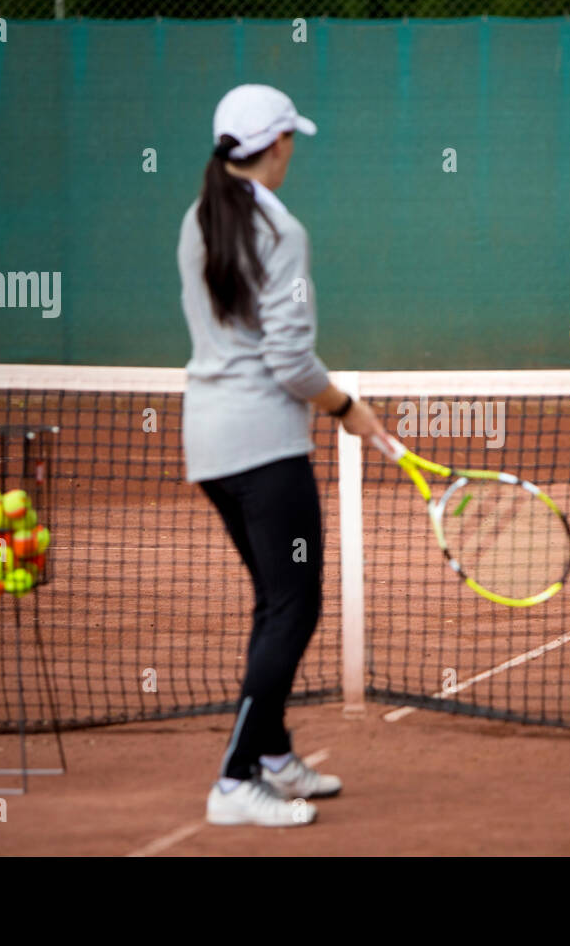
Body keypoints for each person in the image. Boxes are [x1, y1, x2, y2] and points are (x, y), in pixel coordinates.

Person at [179, 84, 382, 827]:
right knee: (294, 607)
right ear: (275, 145)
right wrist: (348, 409)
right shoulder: (282, 231)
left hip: (208, 446)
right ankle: (235, 779)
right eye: (290, 138)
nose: (293, 150)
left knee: (275, 600)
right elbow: (290, 359)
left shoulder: (196, 220)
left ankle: (270, 756)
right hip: (264, 448)